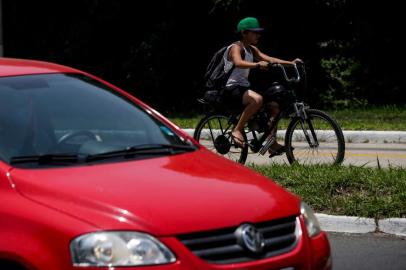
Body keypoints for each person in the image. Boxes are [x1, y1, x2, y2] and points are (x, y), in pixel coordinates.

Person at [223, 16, 301, 156]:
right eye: (254, 32)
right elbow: (238, 62)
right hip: (231, 88)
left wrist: (291, 63)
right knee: (257, 100)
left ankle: (271, 143)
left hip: (243, 88)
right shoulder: (235, 47)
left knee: (274, 106)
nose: (258, 35)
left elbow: (270, 59)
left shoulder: (252, 49)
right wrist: (257, 64)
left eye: (259, 32)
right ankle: (237, 129)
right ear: (244, 33)